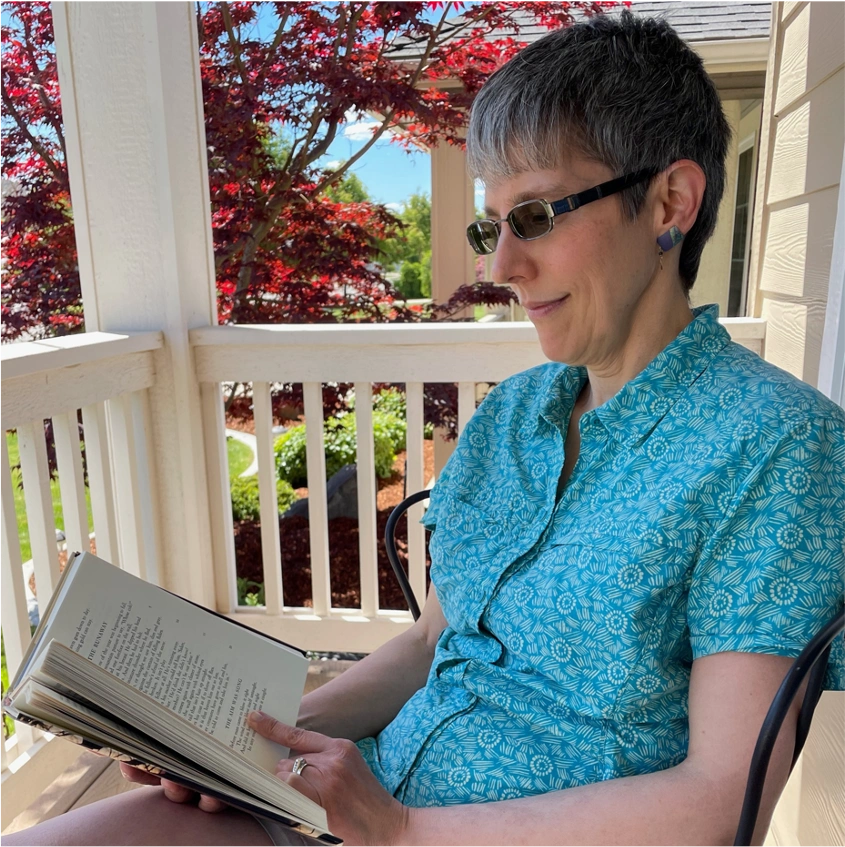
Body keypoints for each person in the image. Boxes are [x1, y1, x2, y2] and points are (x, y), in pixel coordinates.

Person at [9, 10, 845, 847]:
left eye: (537, 215)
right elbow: (429, 643)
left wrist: (404, 829)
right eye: (493, 225)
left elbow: (719, 797)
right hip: (355, 805)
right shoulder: (513, 417)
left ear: (669, 202)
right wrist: (244, 746)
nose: (499, 268)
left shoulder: (775, 445)